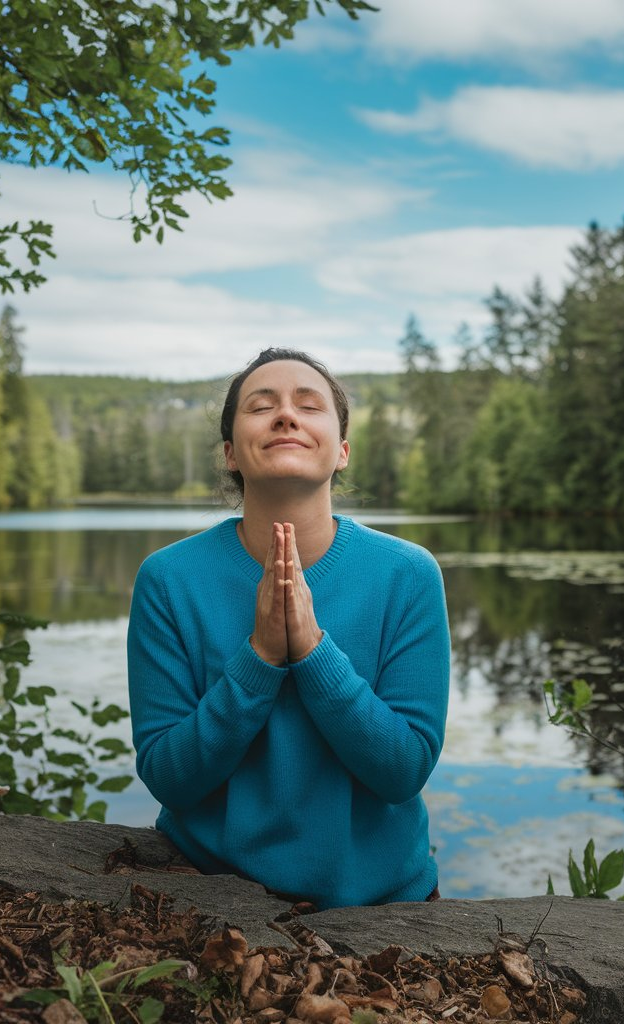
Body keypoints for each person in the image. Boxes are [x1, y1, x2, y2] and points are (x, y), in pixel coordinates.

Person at [126, 348, 450, 909]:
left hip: (385, 909)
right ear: (231, 452)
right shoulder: (169, 580)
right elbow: (169, 778)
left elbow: (404, 770)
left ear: (341, 450)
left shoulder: (408, 575)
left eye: (308, 404)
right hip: (208, 898)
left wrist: (313, 653)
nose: (286, 416)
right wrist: (260, 657)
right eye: (261, 405)